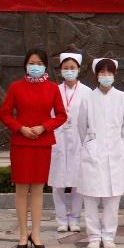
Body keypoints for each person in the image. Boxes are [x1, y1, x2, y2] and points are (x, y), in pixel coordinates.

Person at [0, 49, 68, 248]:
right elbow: (5, 114)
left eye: (39, 63)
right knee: (21, 190)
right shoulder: (16, 87)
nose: (35, 66)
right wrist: (20, 128)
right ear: (25, 65)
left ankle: (35, 233)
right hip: (21, 143)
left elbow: (61, 115)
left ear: (45, 66)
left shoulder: (52, 88)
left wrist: (44, 127)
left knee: (37, 190)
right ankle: (23, 234)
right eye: (31, 63)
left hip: (42, 143)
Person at [77, 58, 124, 248]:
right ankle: (94, 237)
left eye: (109, 72)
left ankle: (109, 236)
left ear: (114, 74)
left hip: (115, 151)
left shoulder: (122, 97)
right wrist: (91, 143)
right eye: (102, 72)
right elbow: (81, 125)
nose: (106, 76)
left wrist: (120, 143)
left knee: (113, 199)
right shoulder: (87, 98)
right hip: (93, 151)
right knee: (90, 198)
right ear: (96, 75)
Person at [50, 52, 90, 234]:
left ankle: (74, 218)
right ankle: (61, 219)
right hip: (58, 138)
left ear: (79, 70)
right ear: (60, 70)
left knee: (77, 181)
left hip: (79, 139)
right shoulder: (54, 90)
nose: (69, 71)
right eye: (65, 68)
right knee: (57, 182)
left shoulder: (87, 92)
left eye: (72, 68)